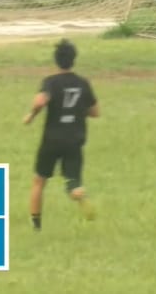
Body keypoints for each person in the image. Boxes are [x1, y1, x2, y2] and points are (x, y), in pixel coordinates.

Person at [23, 39, 99, 230]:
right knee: (72, 179)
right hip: (75, 139)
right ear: (74, 60)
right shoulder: (83, 83)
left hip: (52, 139)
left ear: (56, 60)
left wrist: (31, 115)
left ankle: (36, 224)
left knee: (39, 180)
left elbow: (40, 101)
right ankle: (77, 192)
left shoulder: (50, 82)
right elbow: (95, 112)